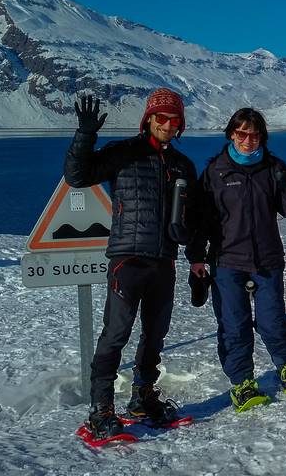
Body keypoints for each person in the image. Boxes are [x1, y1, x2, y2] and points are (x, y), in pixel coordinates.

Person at [64, 88, 198, 438]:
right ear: (149, 119)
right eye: (162, 118)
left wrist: (198, 260)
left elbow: (194, 218)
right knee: (116, 334)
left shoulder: (183, 165)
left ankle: (143, 397)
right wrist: (85, 135)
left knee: (155, 335)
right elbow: (77, 176)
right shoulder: (123, 153)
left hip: (164, 262)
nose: (168, 125)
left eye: (174, 120)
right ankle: (101, 408)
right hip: (128, 260)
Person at [186, 108, 286, 412]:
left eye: (254, 134)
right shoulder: (216, 172)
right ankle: (242, 382)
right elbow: (200, 218)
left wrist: (285, 183)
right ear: (232, 134)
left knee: (273, 320)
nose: (248, 140)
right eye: (242, 133)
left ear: (262, 137)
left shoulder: (273, 167)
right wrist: (195, 257)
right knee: (234, 324)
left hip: (267, 259)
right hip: (227, 260)